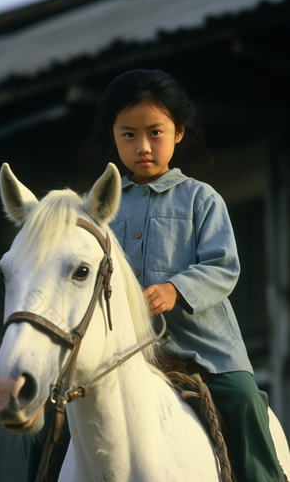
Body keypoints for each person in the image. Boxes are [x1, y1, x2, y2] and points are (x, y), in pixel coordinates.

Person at [24, 69, 284, 482]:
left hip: (203, 349)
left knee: (247, 400)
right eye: (128, 134)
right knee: (45, 415)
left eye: (155, 132)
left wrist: (176, 289)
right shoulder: (97, 207)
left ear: (179, 132)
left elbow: (224, 266)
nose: (142, 146)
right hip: (117, 350)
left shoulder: (202, 198)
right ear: (113, 135)